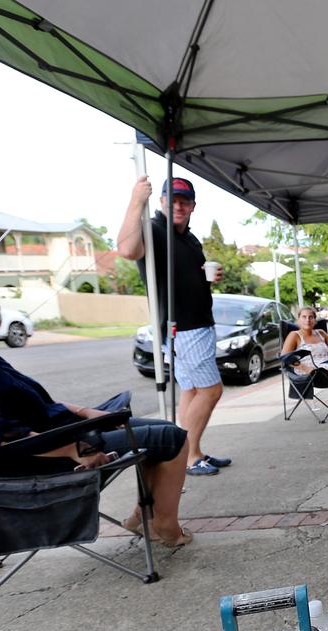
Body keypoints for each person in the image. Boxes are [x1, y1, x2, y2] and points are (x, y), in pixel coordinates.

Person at [0, 270, 193, 547]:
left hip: (52, 437)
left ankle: (143, 516)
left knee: (161, 430)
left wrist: (86, 413)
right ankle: (165, 526)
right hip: (38, 459)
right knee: (172, 439)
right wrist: (75, 450)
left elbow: (30, 403)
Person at [118, 175, 230, 477]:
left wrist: (209, 277)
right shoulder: (154, 230)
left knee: (192, 391)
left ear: (193, 205)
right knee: (211, 391)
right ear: (162, 201)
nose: (179, 206)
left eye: (185, 201)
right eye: (174, 199)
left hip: (199, 324)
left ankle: (192, 451)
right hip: (183, 326)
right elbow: (127, 250)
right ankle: (185, 458)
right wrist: (136, 199)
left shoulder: (190, 239)